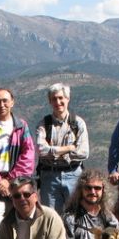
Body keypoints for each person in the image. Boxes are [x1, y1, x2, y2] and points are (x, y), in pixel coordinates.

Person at [35, 83, 89, 213]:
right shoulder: (44, 124)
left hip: (73, 174)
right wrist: (69, 148)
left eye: (61, 98)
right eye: (54, 99)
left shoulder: (78, 123)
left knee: (75, 215)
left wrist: (53, 151)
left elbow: (83, 153)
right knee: (51, 218)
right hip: (49, 176)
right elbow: (41, 150)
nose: (58, 102)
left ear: (67, 99)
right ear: (49, 101)